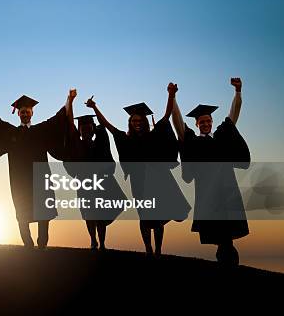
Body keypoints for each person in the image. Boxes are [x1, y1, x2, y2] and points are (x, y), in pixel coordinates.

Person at [86, 83, 190, 257]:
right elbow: (107, 125)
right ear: (130, 122)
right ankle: (148, 249)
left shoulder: (153, 135)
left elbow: (166, 116)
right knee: (144, 216)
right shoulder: (125, 139)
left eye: (140, 120)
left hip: (157, 180)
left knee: (158, 218)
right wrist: (95, 107)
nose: (138, 123)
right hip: (139, 183)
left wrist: (171, 94)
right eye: (134, 121)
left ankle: (158, 250)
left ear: (145, 121)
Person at [0, 90, 73, 248]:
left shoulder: (41, 131)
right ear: (18, 114)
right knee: (22, 214)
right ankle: (28, 245)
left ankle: (42, 246)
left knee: (44, 214)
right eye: (22, 112)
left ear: (32, 113)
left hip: (41, 180)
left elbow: (58, 118)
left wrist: (69, 99)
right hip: (20, 182)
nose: (25, 114)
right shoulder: (10, 133)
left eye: (27, 111)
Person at [172, 78, 250, 267]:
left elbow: (233, 115)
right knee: (220, 235)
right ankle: (227, 260)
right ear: (197, 124)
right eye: (202, 121)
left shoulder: (222, 137)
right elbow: (178, 124)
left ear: (212, 122)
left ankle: (227, 261)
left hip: (227, 189)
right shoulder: (192, 141)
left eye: (208, 120)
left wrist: (238, 92)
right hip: (207, 192)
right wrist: (173, 98)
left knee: (226, 235)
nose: (206, 123)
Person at [60, 103, 127, 251]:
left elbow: (103, 127)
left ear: (93, 128)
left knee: (101, 216)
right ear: (80, 130)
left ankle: (102, 243)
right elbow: (71, 129)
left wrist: (94, 108)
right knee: (89, 215)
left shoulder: (101, 141)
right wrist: (70, 103)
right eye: (83, 128)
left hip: (102, 185)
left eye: (89, 127)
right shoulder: (77, 144)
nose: (86, 130)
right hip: (85, 185)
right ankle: (93, 241)